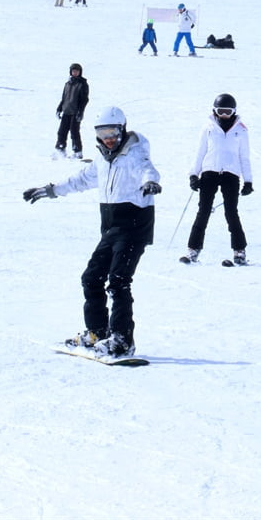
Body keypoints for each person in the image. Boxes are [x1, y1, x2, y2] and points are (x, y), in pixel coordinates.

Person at [22, 106, 161, 359]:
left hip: (133, 227)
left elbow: (147, 170)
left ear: (122, 130)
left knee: (119, 281)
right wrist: (51, 190)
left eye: (113, 132)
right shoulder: (102, 160)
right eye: (102, 133)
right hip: (111, 229)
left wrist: (150, 182)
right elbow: (81, 180)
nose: (108, 138)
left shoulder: (135, 153)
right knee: (91, 277)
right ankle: (97, 331)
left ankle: (122, 341)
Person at [182, 94, 254, 264]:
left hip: (231, 175)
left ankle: (239, 251)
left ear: (234, 112)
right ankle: (193, 250)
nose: (223, 115)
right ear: (214, 110)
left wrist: (248, 181)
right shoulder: (208, 128)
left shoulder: (241, 130)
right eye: (220, 111)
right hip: (209, 173)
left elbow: (244, 157)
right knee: (203, 212)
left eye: (227, 112)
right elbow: (200, 152)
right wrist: (194, 174)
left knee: (231, 213)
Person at [54, 63, 90, 158]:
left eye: (77, 71)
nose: (75, 73)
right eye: (73, 71)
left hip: (75, 112)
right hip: (66, 111)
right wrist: (59, 109)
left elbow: (84, 100)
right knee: (62, 131)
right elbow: (64, 98)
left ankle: (77, 152)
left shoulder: (82, 84)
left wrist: (80, 111)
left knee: (74, 132)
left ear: (80, 72)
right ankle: (60, 149)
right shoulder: (68, 84)